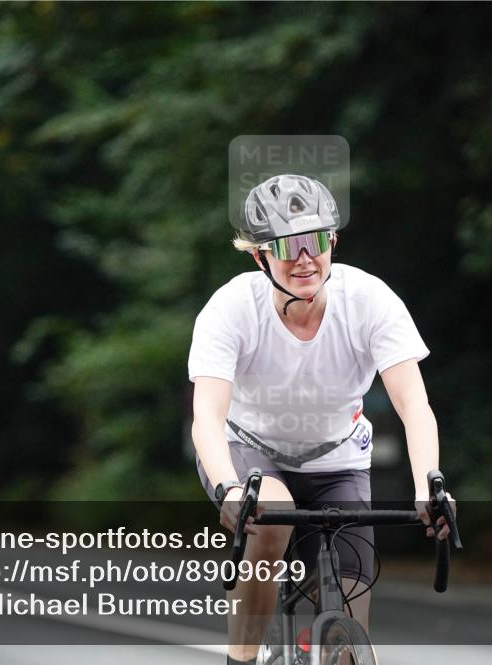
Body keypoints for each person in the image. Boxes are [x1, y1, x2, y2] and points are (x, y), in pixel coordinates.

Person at [189, 174, 453, 665]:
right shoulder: (231, 309)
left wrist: (428, 486)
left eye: (316, 241)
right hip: (249, 452)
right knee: (269, 519)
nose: (305, 258)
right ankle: (241, 658)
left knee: (353, 622)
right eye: (288, 245)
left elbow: (414, 405)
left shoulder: (370, 301)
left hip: (337, 459)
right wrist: (228, 488)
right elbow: (206, 413)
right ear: (259, 256)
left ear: (332, 241)